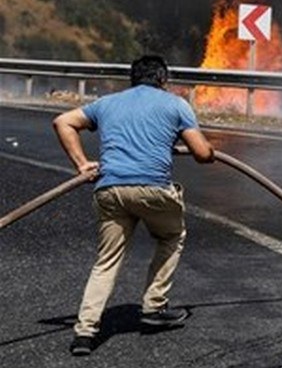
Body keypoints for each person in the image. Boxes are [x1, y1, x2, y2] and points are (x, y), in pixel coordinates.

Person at [52, 54, 214, 357]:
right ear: (163, 80)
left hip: (110, 190)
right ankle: (154, 306)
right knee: (171, 236)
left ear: (133, 79)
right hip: (152, 191)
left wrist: (82, 164)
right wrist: (209, 149)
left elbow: (63, 122)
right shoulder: (176, 104)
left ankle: (85, 332)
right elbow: (202, 154)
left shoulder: (108, 103)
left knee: (106, 261)